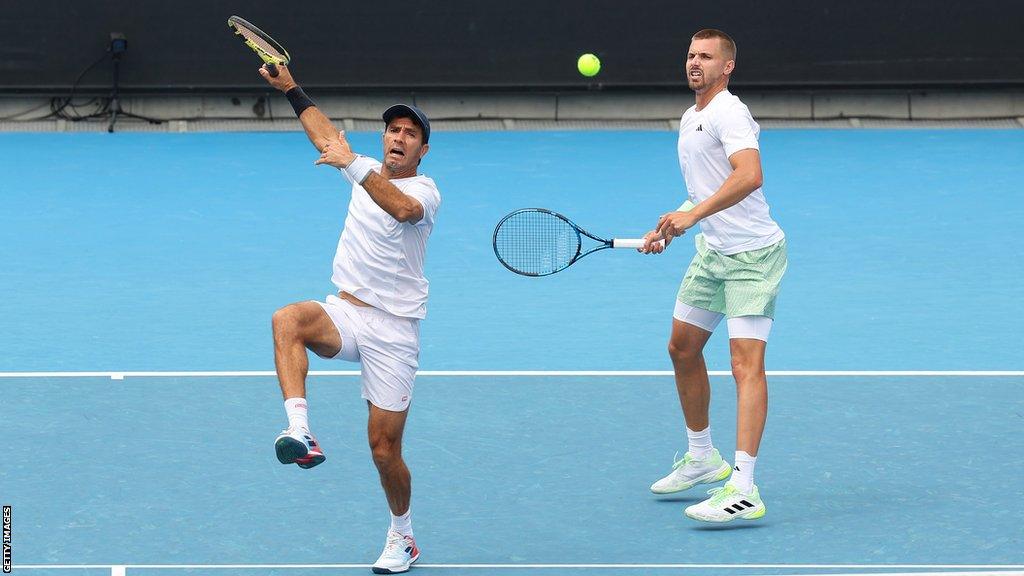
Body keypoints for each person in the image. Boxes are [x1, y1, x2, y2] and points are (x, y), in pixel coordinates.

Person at [259, 63, 440, 573]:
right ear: (383, 137)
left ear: (422, 150)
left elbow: (399, 209)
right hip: (344, 311)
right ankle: (301, 431)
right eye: (394, 130)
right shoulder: (360, 165)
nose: (399, 137)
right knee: (287, 318)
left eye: (410, 133)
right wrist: (291, 88)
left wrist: (350, 163)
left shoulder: (425, 192)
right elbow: (322, 131)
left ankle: (402, 536)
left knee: (384, 450)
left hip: (395, 332)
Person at [641, 29, 787, 523]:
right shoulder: (691, 117)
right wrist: (674, 223)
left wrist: (693, 215)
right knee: (682, 347)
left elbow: (749, 175)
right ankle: (703, 457)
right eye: (690, 55)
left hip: (752, 257)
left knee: (745, 365)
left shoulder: (729, 112)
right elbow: (708, 189)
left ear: (727, 67)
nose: (694, 63)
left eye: (705, 57)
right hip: (713, 252)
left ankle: (744, 487)